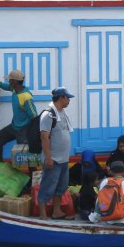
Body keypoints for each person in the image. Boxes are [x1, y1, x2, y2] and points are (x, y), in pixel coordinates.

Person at [38, 87, 75, 220]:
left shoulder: (62, 112)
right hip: (53, 159)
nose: (69, 100)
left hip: (63, 158)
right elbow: (44, 137)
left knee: (61, 186)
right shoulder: (48, 115)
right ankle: (42, 213)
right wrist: (48, 157)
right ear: (61, 98)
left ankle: (56, 211)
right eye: (67, 98)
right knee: (48, 185)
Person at [0, 69, 37, 162]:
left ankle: (33, 175)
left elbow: (34, 116)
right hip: (14, 126)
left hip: (24, 130)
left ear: (15, 81)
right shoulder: (15, 89)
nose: (9, 81)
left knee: (27, 158)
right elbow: (6, 87)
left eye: (10, 80)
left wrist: (32, 134)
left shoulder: (26, 96)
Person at [69, 149, 105, 218]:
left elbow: (102, 174)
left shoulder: (96, 165)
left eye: (88, 161)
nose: (86, 163)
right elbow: (69, 175)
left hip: (92, 185)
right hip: (78, 186)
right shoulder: (78, 166)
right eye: (85, 161)